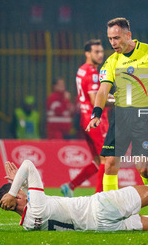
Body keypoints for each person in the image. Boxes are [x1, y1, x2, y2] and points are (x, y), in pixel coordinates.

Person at [86, 18, 148, 217]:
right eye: (110, 39)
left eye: (116, 38)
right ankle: (110, 211)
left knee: (143, 169)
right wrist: (96, 113)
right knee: (109, 163)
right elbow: (102, 90)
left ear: (128, 35)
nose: (113, 43)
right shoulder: (112, 60)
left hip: (144, 117)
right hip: (121, 117)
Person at [0, 160, 148, 232]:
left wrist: (17, 189)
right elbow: (28, 164)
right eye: (19, 192)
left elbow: (31, 199)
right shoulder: (34, 203)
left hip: (99, 227)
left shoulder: (29, 224)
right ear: (15, 197)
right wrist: (17, 186)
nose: (24, 191)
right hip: (98, 207)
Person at [61, 39, 110, 196]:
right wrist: (117, 100)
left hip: (85, 119)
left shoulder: (81, 69)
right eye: (96, 52)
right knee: (107, 160)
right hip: (96, 121)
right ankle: (99, 198)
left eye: (101, 51)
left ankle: (70, 186)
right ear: (87, 53)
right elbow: (95, 100)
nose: (100, 55)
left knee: (98, 161)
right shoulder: (93, 74)